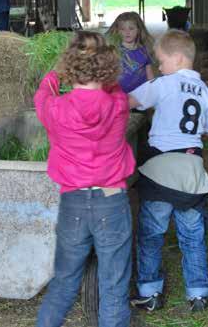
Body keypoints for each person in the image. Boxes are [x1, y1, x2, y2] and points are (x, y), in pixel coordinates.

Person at [34, 31, 136, 327]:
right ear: (106, 67)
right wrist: (101, 67)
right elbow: (115, 87)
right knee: (114, 286)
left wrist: (55, 73)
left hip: (73, 202)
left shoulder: (55, 109)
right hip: (112, 201)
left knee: (64, 282)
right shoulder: (118, 104)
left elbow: (42, 94)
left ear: (70, 68)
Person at [128, 29, 208, 313]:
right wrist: (197, 135)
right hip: (191, 172)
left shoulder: (164, 83)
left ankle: (150, 291)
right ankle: (198, 293)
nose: (159, 67)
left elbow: (130, 102)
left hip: (160, 169)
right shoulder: (205, 90)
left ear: (179, 59)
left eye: (161, 61)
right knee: (192, 237)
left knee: (150, 234)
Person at [106, 11, 154, 93]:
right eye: (122, 29)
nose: (127, 32)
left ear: (138, 30)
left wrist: (153, 89)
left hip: (141, 93)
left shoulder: (144, 50)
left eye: (131, 28)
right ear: (118, 31)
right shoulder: (114, 51)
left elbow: (149, 73)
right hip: (120, 94)